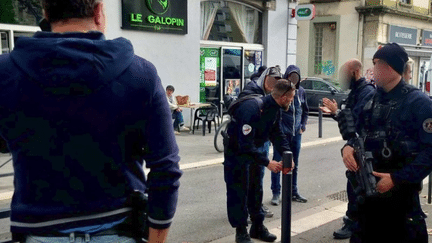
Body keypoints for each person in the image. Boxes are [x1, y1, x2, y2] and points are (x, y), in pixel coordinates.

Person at [0, 0, 182, 242]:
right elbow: (166, 168)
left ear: (45, 13)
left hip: (39, 231)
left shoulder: (6, 73)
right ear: (98, 12)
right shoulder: (140, 74)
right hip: (118, 231)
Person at [342, 43, 432, 242]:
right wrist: (347, 147)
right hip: (367, 203)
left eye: (377, 64)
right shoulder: (371, 100)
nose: (373, 70)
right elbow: (356, 133)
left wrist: (396, 178)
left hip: (402, 203)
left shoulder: (419, 103)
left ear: (391, 67)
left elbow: (430, 152)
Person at [224, 80, 295, 243]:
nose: (291, 102)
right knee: (238, 191)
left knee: (256, 189)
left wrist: (287, 154)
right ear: (283, 97)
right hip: (236, 153)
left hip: (253, 151)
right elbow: (244, 145)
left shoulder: (274, 109)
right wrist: (267, 162)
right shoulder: (252, 109)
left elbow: (277, 134)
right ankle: (241, 231)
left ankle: (257, 227)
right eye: (290, 98)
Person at [320, 59, 375, 239]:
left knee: (359, 188)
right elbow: (349, 121)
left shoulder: (366, 92)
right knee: (354, 185)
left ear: (356, 71)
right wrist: (337, 113)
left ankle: (355, 223)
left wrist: (339, 112)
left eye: (346, 72)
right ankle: (353, 221)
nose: (343, 77)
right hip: (354, 147)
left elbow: (357, 123)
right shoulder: (356, 92)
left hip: (361, 149)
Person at [238, 66, 284, 219]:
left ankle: (257, 219)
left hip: (260, 143)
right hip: (245, 146)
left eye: (277, 82)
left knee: (257, 182)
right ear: (264, 78)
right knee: (244, 183)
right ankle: (243, 222)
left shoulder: (272, 98)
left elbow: (276, 128)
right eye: (271, 80)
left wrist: (286, 151)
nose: (273, 84)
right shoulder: (251, 94)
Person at [270, 65, 309, 205]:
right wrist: (277, 130)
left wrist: (303, 126)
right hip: (282, 135)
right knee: (278, 163)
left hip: (296, 134)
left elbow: (305, 111)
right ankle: (276, 192)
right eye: (291, 76)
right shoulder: (282, 92)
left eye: (296, 77)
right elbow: (275, 111)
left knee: (294, 164)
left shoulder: (302, 92)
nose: (293, 79)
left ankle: (293, 191)